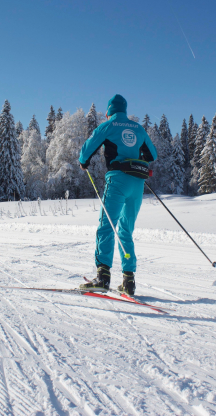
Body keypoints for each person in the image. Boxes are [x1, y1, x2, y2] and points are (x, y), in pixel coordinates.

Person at [78, 94, 157, 295]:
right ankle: (128, 280)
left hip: (117, 181)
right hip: (137, 184)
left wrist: (83, 162)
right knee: (125, 231)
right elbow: (152, 155)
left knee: (107, 226)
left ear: (109, 112)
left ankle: (103, 276)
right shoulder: (138, 128)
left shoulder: (108, 126)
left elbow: (87, 149)